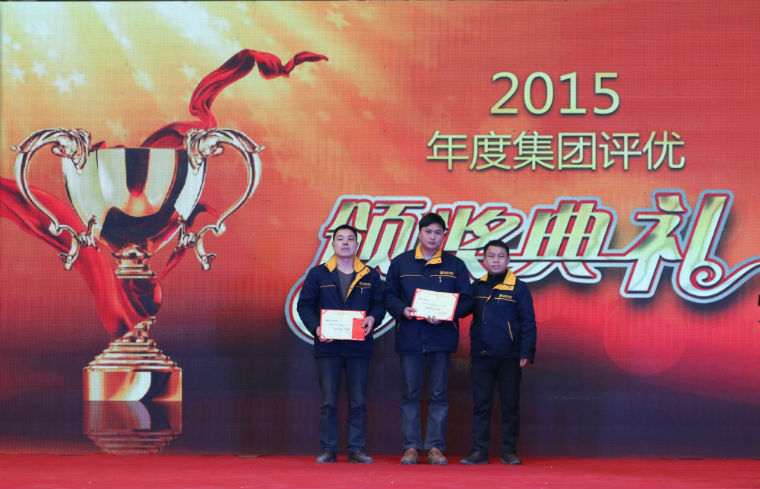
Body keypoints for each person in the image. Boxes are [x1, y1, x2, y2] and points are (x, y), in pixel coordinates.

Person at [383, 212, 472, 465]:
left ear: (444, 236)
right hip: (410, 336)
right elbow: (388, 296)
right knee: (410, 393)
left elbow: (467, 300)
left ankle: (435, 447)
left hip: (441, 338)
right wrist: (403, 310)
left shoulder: (455, 265)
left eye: (438, 232)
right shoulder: (401, 263)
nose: (433, 237)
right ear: (419, 234)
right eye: (428, 231)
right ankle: (411, 447)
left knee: (438, 394)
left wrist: (447, 315)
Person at [296, 224, 386, 463]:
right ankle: (328, 449)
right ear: (333, 243)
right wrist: (316, 328)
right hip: (329, 346)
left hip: (359, 347)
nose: (345, 243)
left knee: (358, 401)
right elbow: (304, 305)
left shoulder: (370, 275)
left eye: (350, 239)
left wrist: (373, 317)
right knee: (329, 401)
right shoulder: (318, 274)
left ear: (357, 244)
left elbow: (380, 305)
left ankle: (356, 449)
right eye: (340, 239)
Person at [461, 240, 536, 466]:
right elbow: (460, 310)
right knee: (481, 405)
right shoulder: (477, 287)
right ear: (484, 260)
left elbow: (528, 322)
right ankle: (479, 451)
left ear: (508, 260)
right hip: (481, 355)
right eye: (491, 256)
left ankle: (509, 451)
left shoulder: (519, 288)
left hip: (510, 356)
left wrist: (526, 351)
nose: (496, 260)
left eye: (500, 256)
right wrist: (438, 309)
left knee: (510, 405)